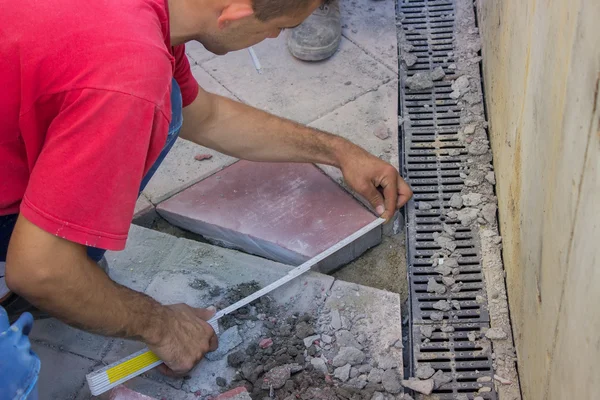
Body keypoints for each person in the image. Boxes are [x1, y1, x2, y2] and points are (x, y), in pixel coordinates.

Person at [0, 0, 412, 378]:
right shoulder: (127, 73)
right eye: (279, 28)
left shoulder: (150, 14)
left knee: (171, 100)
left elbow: (207, 115)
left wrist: (338, 151)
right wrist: (160, 325)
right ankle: (63, 271)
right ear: (233, 14)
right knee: (45, 297)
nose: (273, 38)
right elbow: (39, 271)